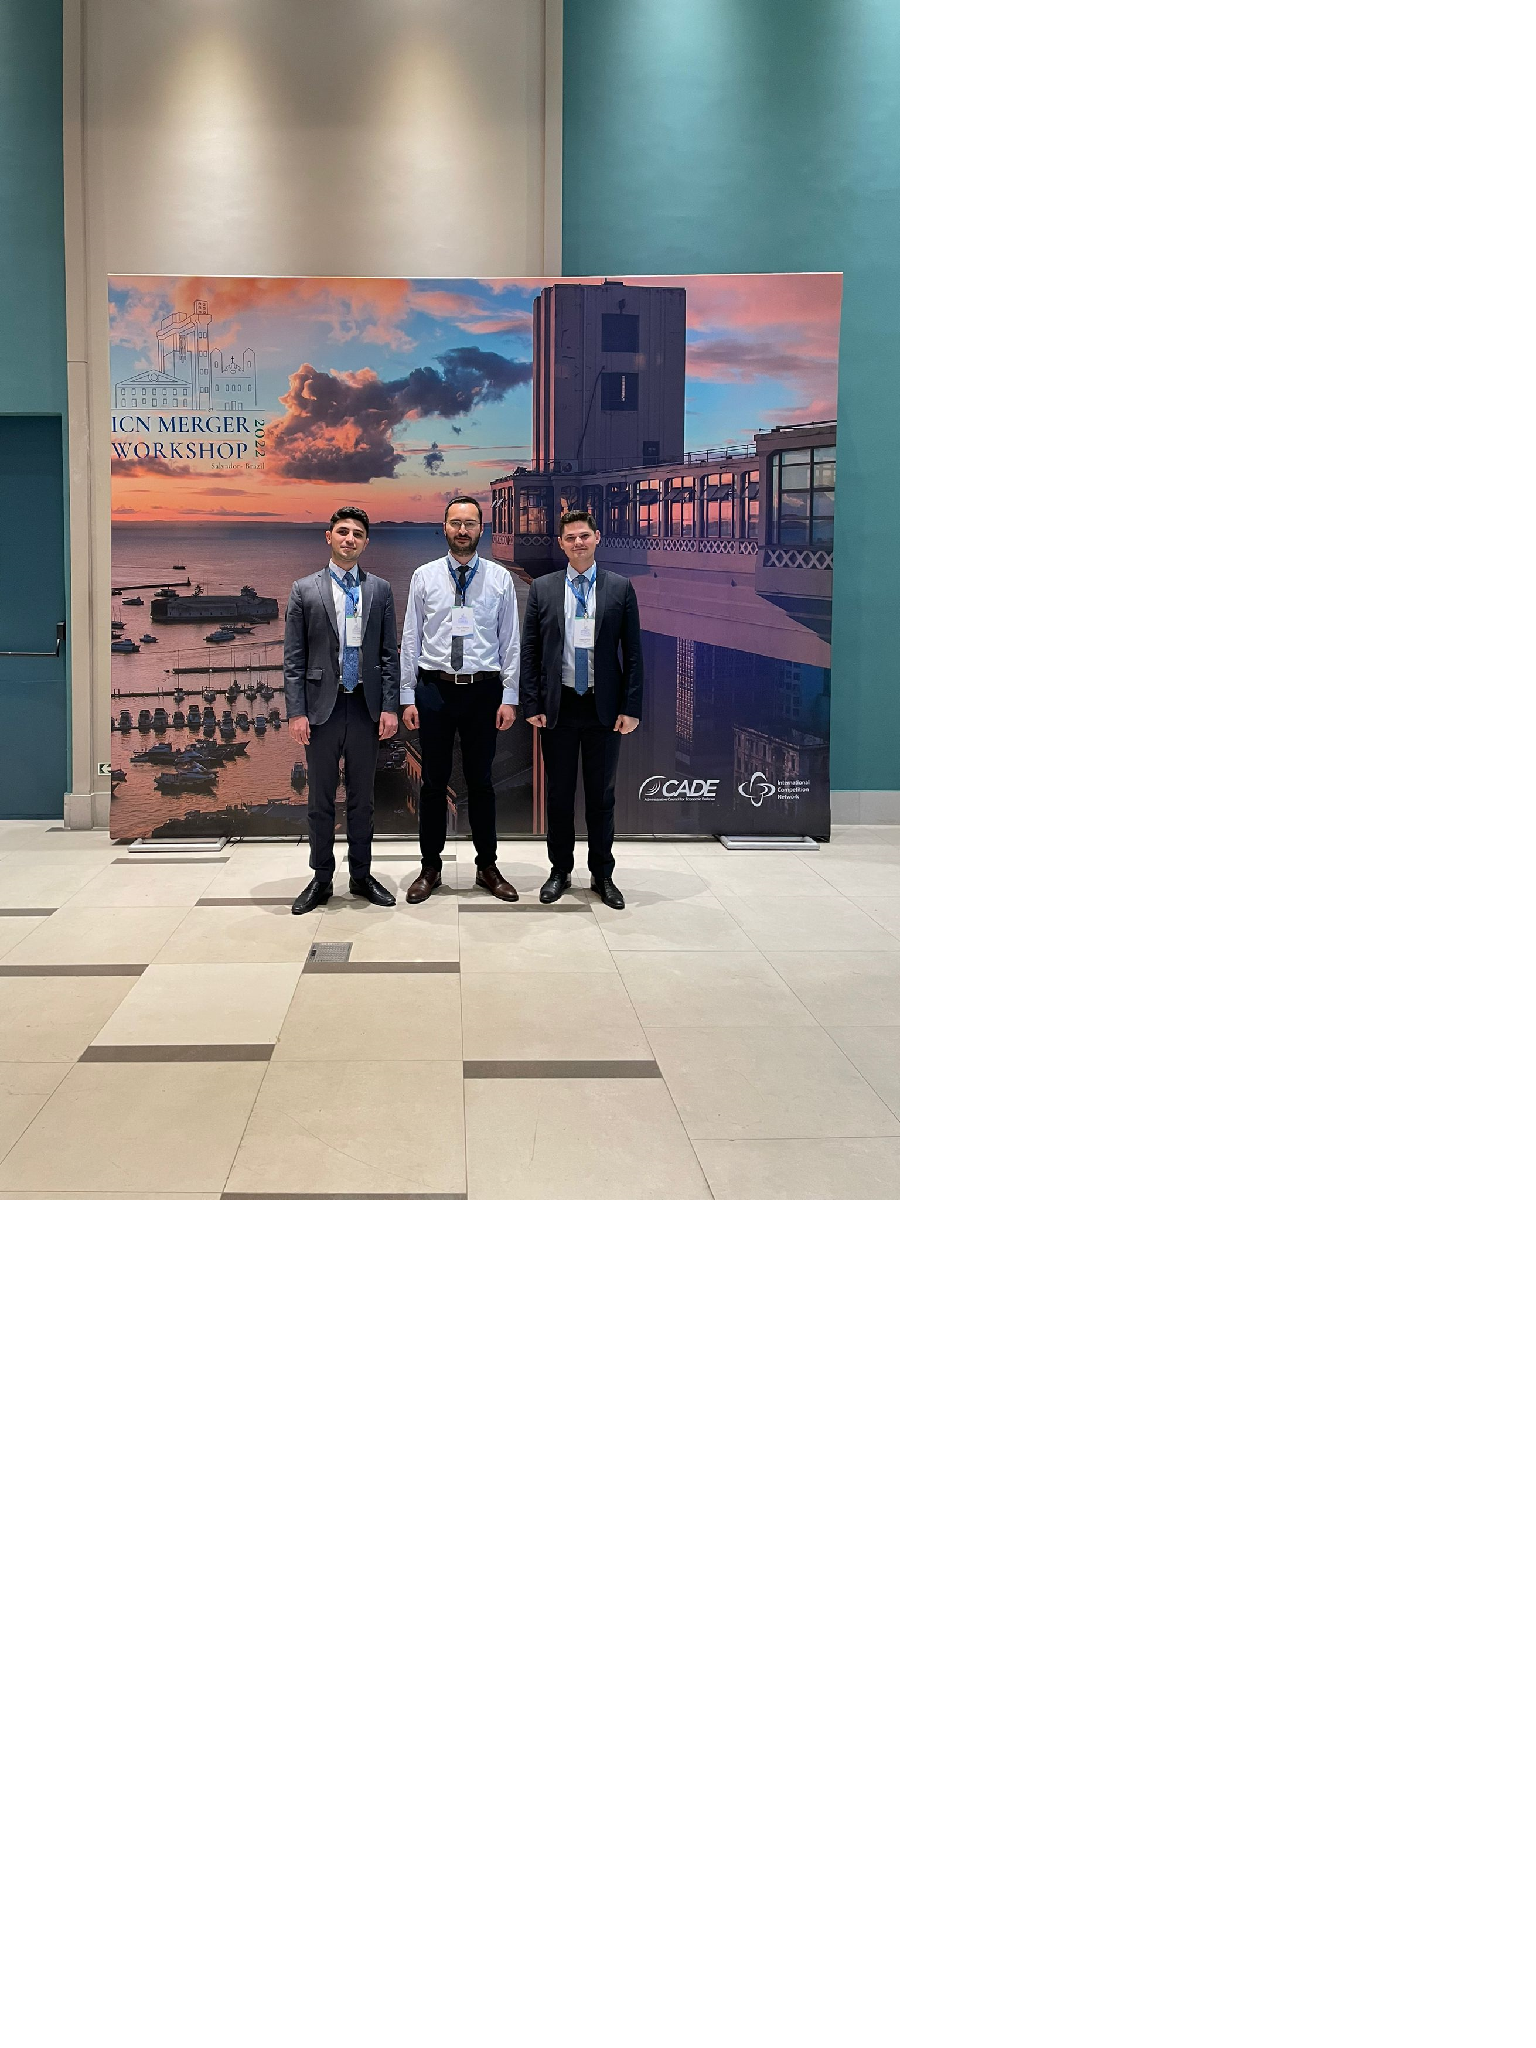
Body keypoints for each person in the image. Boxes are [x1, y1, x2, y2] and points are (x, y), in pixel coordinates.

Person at [399, 496, 521, 903]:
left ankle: (487, 867)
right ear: (445, 528)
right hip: (434, 690)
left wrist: (510, 696)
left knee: (481, 782)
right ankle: (430, 868)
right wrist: (407, 695)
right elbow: (411, 639)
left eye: (470, 523)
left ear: (481, 529)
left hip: (484, 691)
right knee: (434, 782)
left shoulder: (500, 579)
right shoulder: (424, 577)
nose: (463, 530)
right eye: (456, 523)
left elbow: (510, 641)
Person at [521, 508, 643, 909]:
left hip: (603, 710)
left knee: (601, 797)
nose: (578, 542)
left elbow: (633, 653)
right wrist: (532, 702)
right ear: (561, 544)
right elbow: (531, 650)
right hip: (557, 708)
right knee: (558, 796)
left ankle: (602, 874)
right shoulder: (543, 588)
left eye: (584, 536)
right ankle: (560, 871)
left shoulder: (620, 588)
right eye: (570, 537)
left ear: (597, 538)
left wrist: (631, 707)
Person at [282, 505, 400, 914]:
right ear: (329, 537)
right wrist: (296, 712)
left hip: (365, 708)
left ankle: (361, 876)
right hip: (321, 710)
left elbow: (388, 655)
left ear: (366, 543)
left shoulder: (380, 590)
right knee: (320, 799)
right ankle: (321, 878)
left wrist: (390, 707)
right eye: (343, 531)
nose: (350, 539)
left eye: (358, 534)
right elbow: (293, 658)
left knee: (362, 800)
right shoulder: (304, 590)